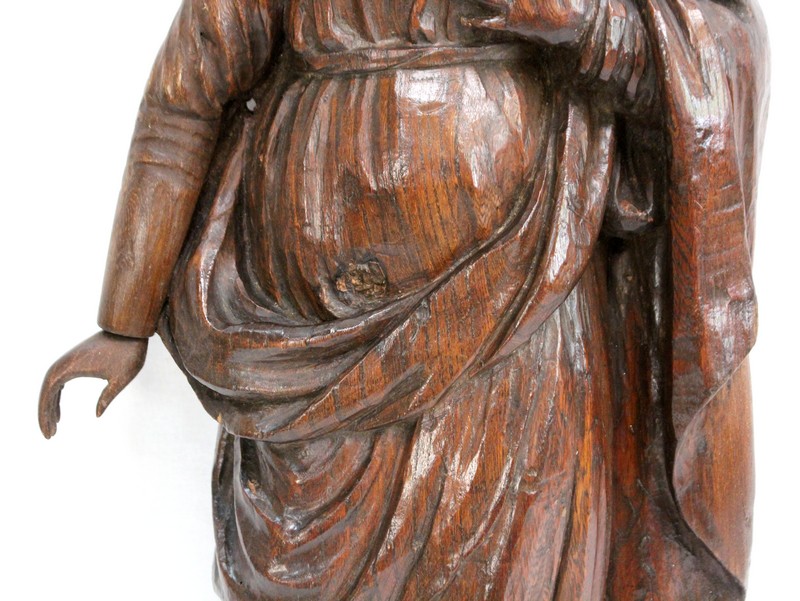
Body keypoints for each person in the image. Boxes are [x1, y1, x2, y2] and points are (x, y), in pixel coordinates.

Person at [39, 0, 769, 599]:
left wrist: (589, 23)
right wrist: (123, 321)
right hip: (302, 351)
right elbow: (185, 97)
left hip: (519, 324)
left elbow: (710, 45)